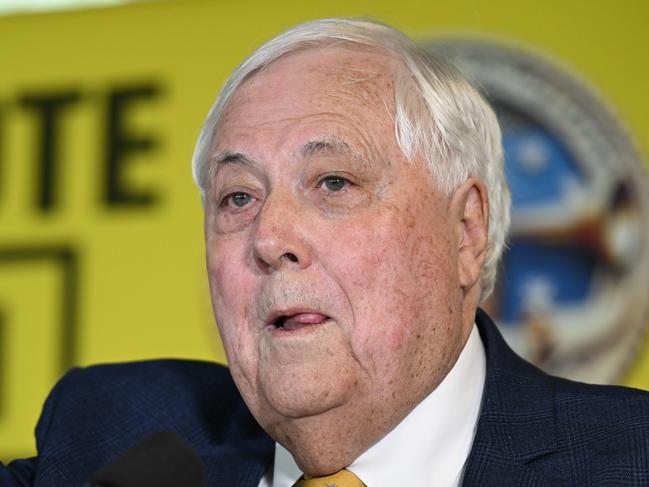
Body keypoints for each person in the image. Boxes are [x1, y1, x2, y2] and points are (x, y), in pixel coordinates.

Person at [3, 18, 649, 487]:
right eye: (237, 197)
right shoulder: (108, 435)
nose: (269, 237)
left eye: (333, 183)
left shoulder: (630, 457)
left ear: (465, 231)